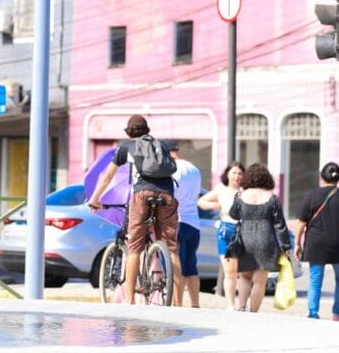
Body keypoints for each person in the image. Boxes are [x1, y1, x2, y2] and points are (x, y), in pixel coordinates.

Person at [87, 115, 182, 305]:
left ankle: (129, 299)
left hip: (142, 195)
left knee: (135, 249)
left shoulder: (125, 147)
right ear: (147, 129)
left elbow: (106, 177)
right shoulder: (161, 145)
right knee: (172, 249)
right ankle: (178, 302)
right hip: (167, 195)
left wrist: (94, 199)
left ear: (129, 132)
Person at [294, 162, 339, 322]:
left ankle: (313, 313)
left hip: (316, 244)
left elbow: (301, 223)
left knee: (315, 279)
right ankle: (337, 313)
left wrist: (297, 243)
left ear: (321, 177)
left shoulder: (311, 195)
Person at [229, 163, 291, 312]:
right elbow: (280, 225)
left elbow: (233, 214)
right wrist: (285, 246)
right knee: (259, 281)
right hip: (266, 240)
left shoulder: (240, 196)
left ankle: (242, 307)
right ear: (266, 179)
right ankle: (253, 312)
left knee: (244, 276)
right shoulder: (272, 198)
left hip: (246, 239)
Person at [197, 161, 245, 310]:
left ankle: (243, 304)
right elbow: (201, 201)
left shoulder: (245, 191)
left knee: (242, 272)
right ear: (228, 174)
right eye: (234, 173)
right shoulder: (221, 189)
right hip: (226, 229)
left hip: (243, 231)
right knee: (229, 271)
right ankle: (231, 305)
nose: (237, 176)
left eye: (239, 173)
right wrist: (217, 205)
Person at [170, 144, 202, 308]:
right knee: (191, 266)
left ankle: (178, 303)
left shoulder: (173, 169)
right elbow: (196, 195)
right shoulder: (194, 169)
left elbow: (172, 196)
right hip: (194, 223)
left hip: (178, 221)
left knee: (178, 264)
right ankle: (195, 304)